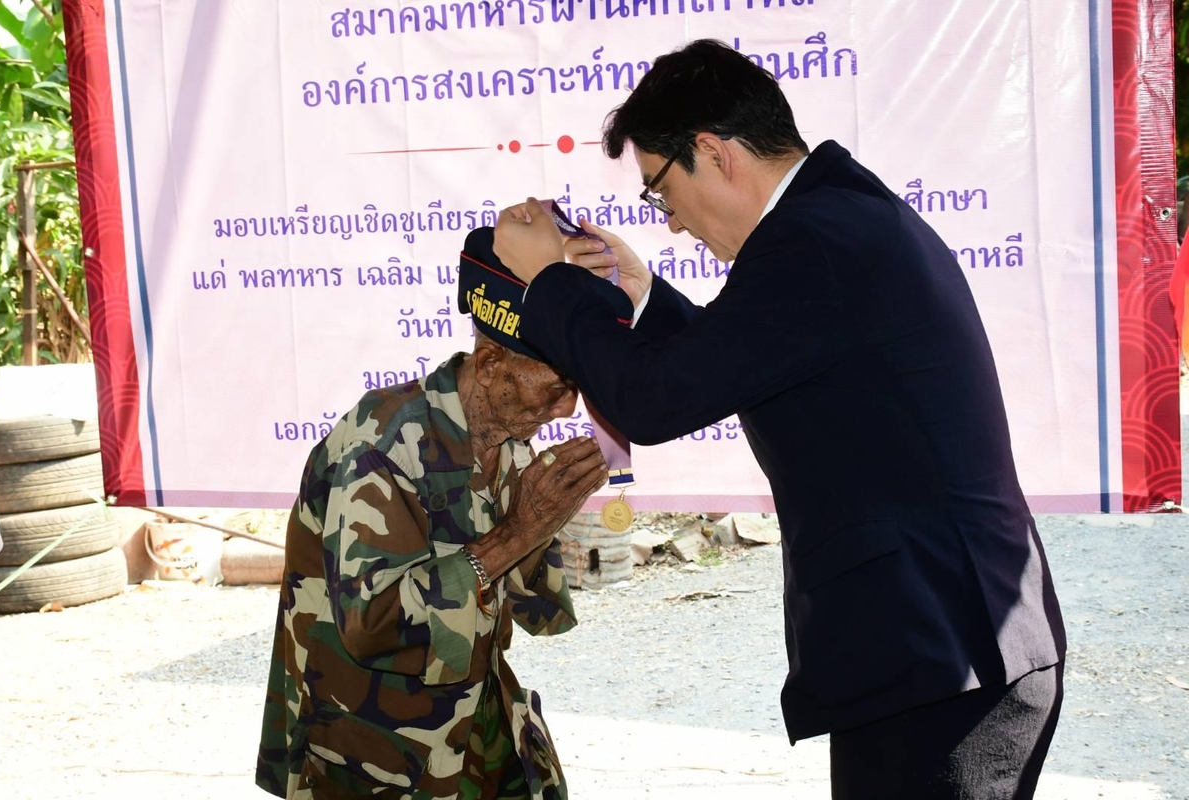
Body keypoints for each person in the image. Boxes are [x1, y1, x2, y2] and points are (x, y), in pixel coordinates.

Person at [492, 38, 1066, 800]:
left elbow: (655, 401)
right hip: (938, 646)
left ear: (713, 152)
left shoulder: (814, 241)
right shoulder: (835, 220)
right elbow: (735, 361)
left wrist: (550, 283)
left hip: (941, 656)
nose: (669, 224)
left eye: (661, 194)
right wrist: (638, 293)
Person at [255, 227, 608, 799]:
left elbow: (540, 614)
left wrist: (545, 524)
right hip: (379, 753)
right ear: (491, 363)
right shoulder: (381, 444)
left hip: (477, 721)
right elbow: (372, 626)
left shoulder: (508, 441)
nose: (567, 407)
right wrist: (520, 530)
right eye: (558, 385)